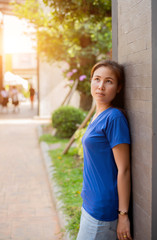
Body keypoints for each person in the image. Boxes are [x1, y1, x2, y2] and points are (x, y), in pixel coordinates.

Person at [76, 60, 132, 240]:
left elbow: (124, 169)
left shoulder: (114, 118)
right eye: (97, 79)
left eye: (109, 81)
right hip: (90, 203)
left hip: (102, 210)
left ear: (118, 88)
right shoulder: (97, 114)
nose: (101, 86)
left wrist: (123, 216)